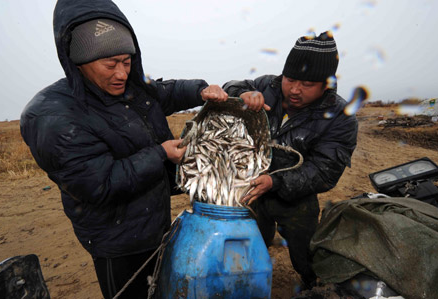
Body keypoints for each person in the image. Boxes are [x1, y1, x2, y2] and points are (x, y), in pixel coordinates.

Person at [20, 0, 267, 298]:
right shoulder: (52, 116)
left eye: (126, 62)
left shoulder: (130, 88)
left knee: (160, 288)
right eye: (110, 64)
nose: (122, 74)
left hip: (154, 222)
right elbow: (99, 184)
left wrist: (201, 90)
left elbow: (163, 92)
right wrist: (161, 154)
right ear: (78, 61)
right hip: (117, 241)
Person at [223, 31, 358, 290]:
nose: (295, 89)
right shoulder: (267, 86)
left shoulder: (340, 117)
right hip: (250, 190)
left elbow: (323, 171)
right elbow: (231, 86)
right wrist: (242, 94)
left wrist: (275, 182)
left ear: (326, 84)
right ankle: (246, 284)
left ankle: (311, 285)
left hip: (296, 195)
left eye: (307, 84)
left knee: (305, 253)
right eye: (291, 79)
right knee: (248, 244)